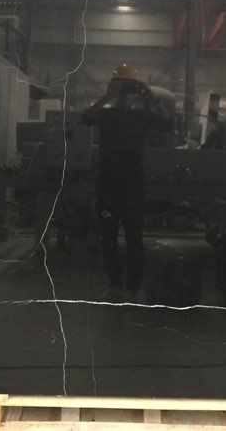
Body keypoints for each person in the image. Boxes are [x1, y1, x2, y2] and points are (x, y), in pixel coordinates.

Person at [82, 64, 171, 301]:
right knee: (109, 237)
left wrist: (151, 97)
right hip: (110, 187)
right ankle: (115, 284)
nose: (124, 92)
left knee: (133, 238)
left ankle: (131, 287)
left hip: (129, 187)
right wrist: (106, 97)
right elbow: (85, 118)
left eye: (128, 87)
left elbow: (167, 123)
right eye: (121, 86)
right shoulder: (107, 114)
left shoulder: (141, 116)